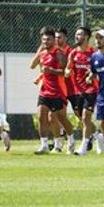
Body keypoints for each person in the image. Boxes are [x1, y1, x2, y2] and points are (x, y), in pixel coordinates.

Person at [29, 27, 74, 155]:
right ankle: (43, 145)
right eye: (43, 40)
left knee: (61, 118)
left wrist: (51, 71)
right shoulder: (42, 53)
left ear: (54, 40)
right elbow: (32, 65)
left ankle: (71, 140)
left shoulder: (59, 53)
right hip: (44, 91)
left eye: (48, 39)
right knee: (41, 117)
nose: (46, 42)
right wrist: (39, 51)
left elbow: (65, 72)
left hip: (58, 91)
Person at [67, 27, 101, 156]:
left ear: (86, 37)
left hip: (92, 89)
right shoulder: (73, 53)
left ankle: (83, 147)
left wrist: (92, 74)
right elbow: (68, 68)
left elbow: (99, 69)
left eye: (79, 34)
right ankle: (98, 136)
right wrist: (67, 71)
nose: (76, 36)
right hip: (78, 90)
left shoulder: (94, 53)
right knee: (82, 117)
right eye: (76, 34)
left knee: (86, 116)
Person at [54, 27, 77, 153]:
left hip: (72, 88)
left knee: (80, 114)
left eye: (60, 37)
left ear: (66, 38)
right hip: (60, 89)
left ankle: (93, 136)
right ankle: (59, 142)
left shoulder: (70, 52)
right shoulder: (54, 52)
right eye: (56, 37)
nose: (57, 39)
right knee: (56, 116)